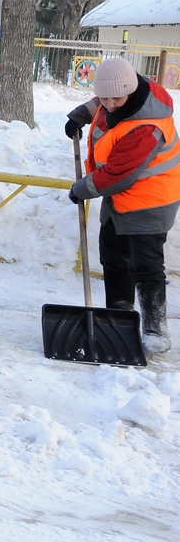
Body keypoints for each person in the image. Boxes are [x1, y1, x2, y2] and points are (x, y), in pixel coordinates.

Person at [67, 56, 180, 353]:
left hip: (150, 201)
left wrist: (82, 189)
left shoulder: (147, 126)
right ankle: (118, 316)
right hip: (120, 199)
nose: (110, 103)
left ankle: (155, 331)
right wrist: (80, 114)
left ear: (130, 89)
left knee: (146, 265)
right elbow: (101, 102)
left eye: (115, 98)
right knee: (113, 257)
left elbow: (119, 174)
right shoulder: (115, 96)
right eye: (104, 97)